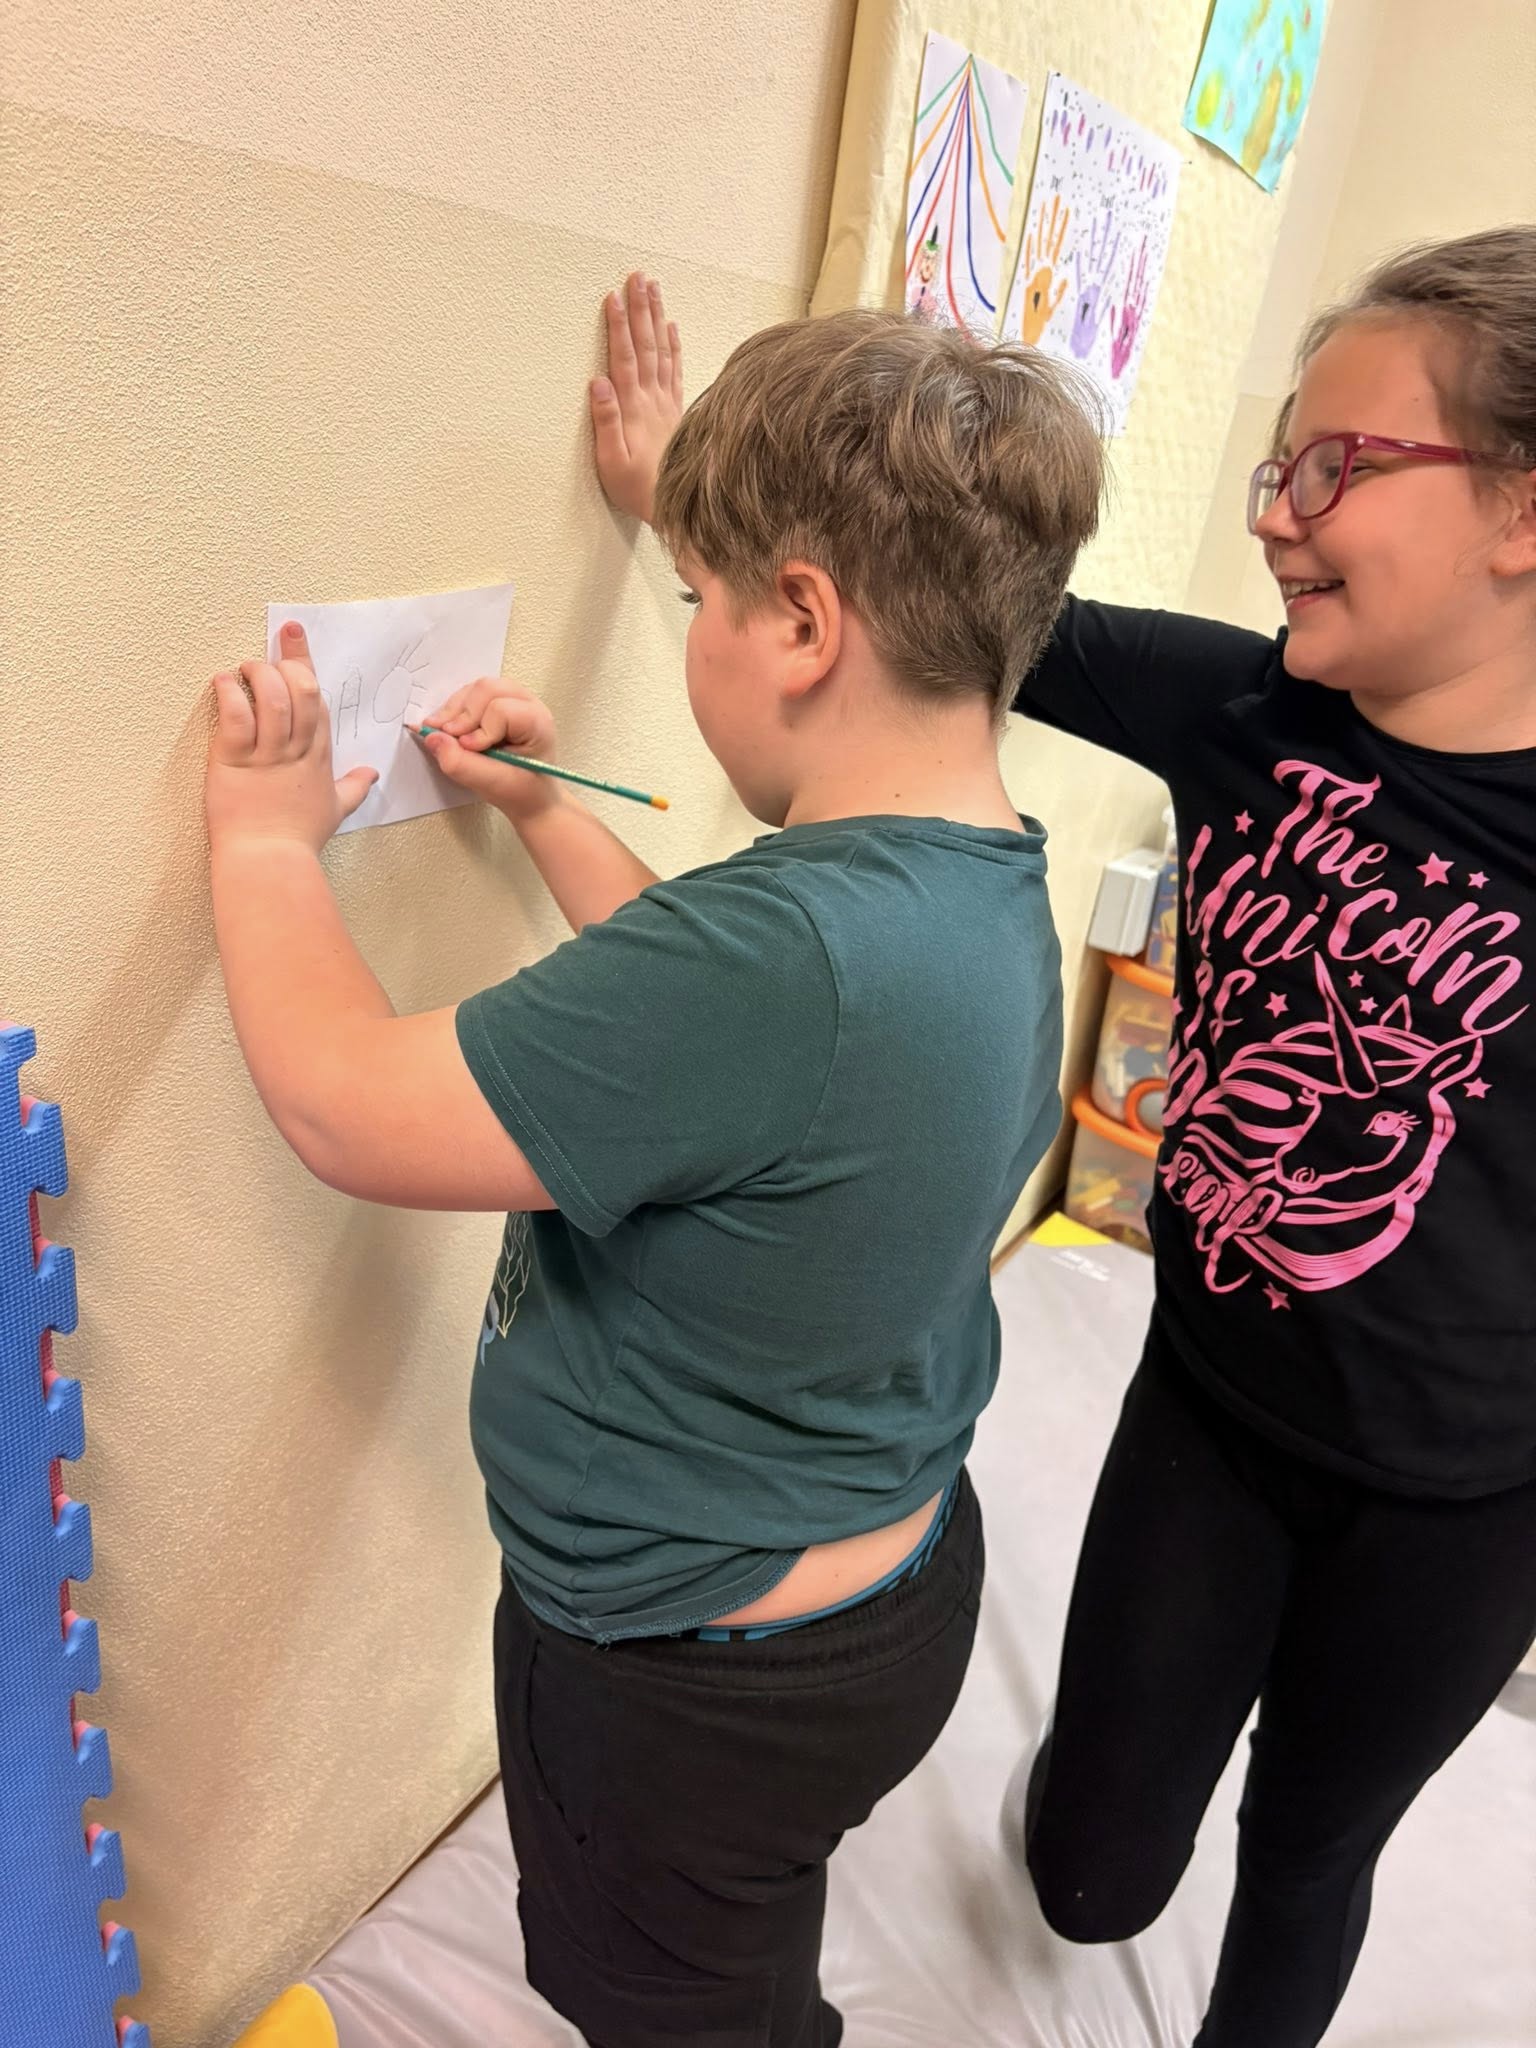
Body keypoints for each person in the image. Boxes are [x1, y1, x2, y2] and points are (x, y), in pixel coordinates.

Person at [600, 231, 1536, 2048]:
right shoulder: (1245, 713)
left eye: (1334, 469)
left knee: (1307, 1860)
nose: (1275, 515)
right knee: (1091, 1879)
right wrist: (678, 496)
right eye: (1278, 463)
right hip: (1215, 1410)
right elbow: (914, 606)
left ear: (1521, 508)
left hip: (1463, 1504)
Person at [205, 285, 1105, 2046]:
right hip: (885, 1591)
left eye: (698, 600)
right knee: (738, 1958)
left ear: (803, 621)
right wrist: (550, 807)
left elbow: (346, 1105)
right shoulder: (977, 877)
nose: (689, 631)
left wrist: (261, 843)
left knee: (678, 2009)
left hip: (692, 1675)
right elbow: (737, 1068)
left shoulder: (781, 962)